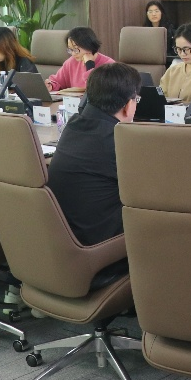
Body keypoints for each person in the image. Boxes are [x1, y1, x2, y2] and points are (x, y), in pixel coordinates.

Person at [46, 63, 141, 286]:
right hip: (100, 258)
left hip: (62, 249)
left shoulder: (72, 126)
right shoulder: (117, 140)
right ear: (128, 105)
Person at [47, 26, 115, 93]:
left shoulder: (109, 65)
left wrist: (89, 65)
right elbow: (57, 81)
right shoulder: (71, 62)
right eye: (70, 49)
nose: (73, 53)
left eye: (76, 49)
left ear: (88, 46)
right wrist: (51, 85)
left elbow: (96, 90)